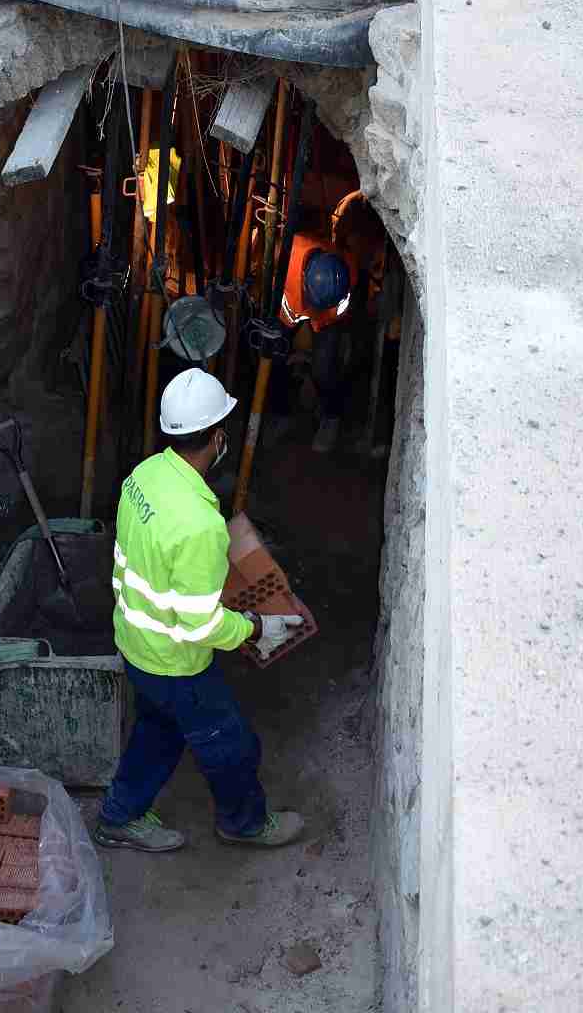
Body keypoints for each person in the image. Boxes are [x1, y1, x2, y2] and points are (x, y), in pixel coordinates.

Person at [94, 368, 305, 853]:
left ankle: (119, 816)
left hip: (134, 641)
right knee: (232, 745)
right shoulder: (200, 525)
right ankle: (245, 823)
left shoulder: (142, 477)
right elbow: (200, 623)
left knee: (159, 731)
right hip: (175, 661)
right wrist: (254, 627)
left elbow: (154, 563)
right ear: (216, 437)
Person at [276, 231, 358, 453]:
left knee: (324, 368)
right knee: (275, 353)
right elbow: (287, 320)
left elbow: (332, 320)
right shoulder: (286, 268)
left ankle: (331, 416)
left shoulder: (347, 275)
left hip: (328, 317)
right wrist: (296, 353)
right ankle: (281, 411)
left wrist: (314, 359)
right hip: (293, 306)